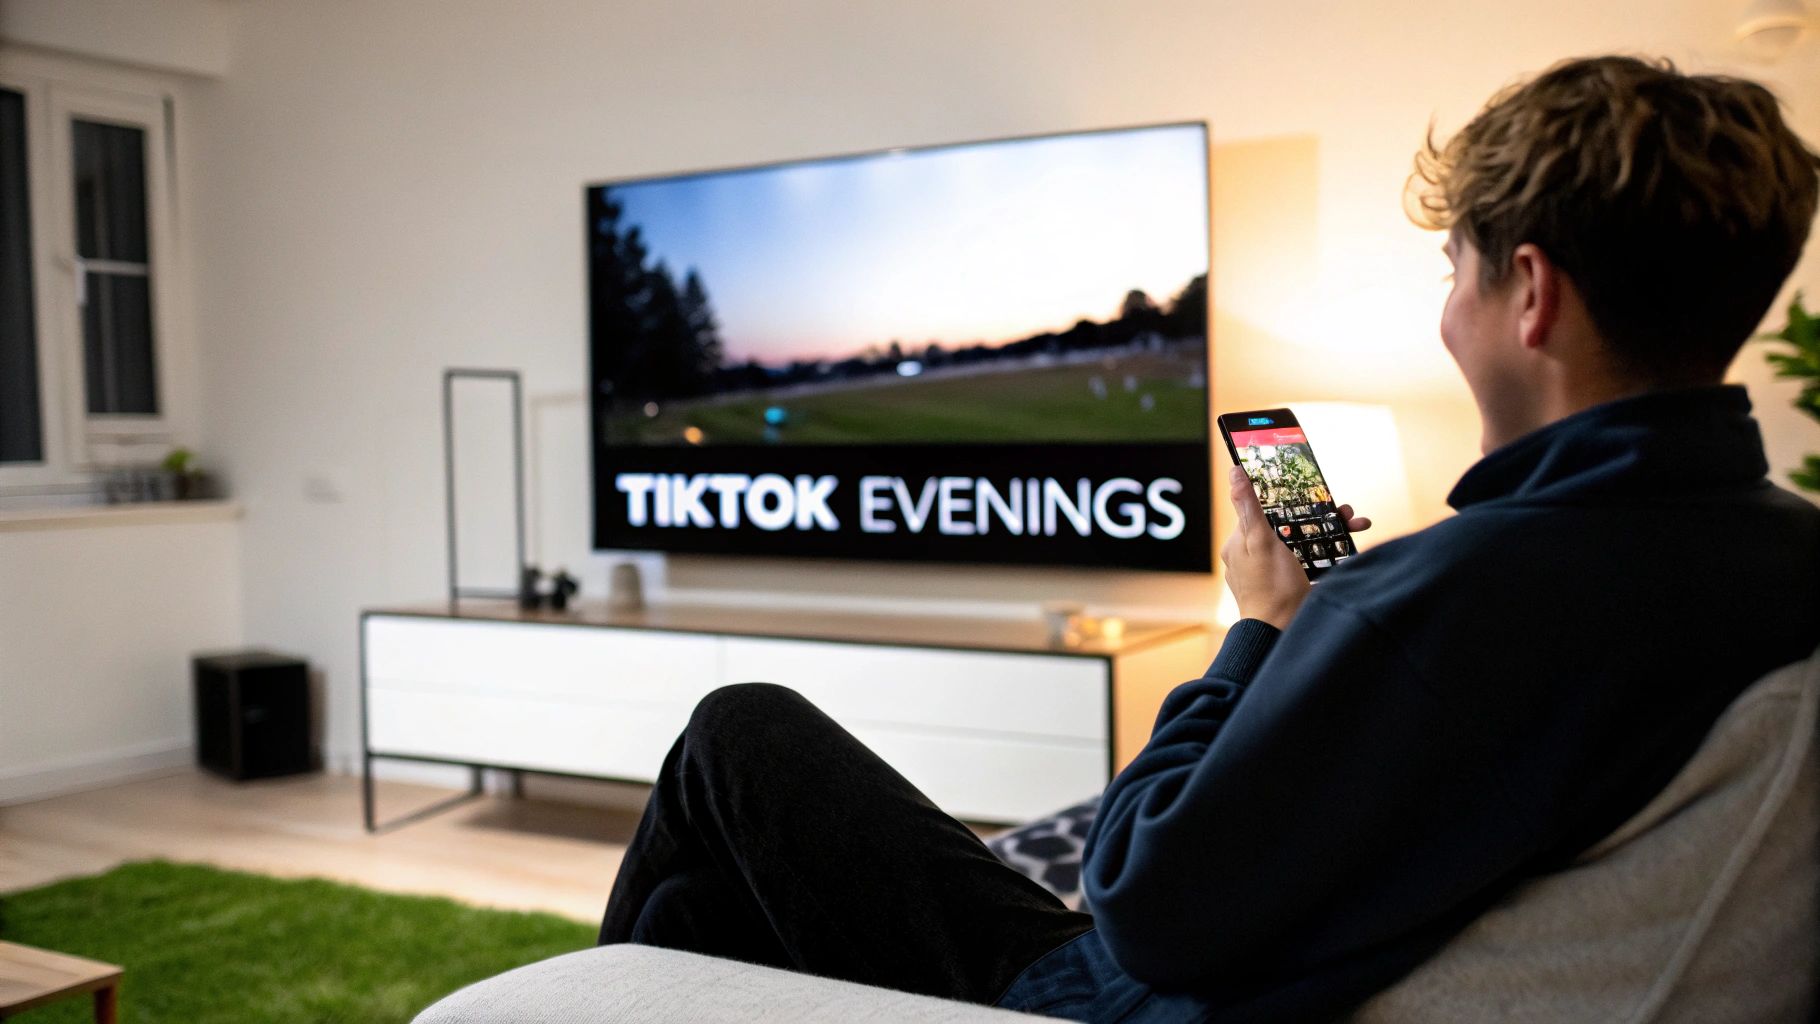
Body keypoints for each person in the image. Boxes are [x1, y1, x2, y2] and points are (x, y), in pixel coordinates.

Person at [599, 56, 1820, 1021]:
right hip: (1306, 959)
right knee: (699, 909)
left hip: (1138, 1000)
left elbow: (1135, 902)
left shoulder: (1445, 594)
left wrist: (1259, 630)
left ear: (1530, 293)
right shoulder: (1780, 558)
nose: (1448, 309)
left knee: (736, 732)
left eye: (1454, 269)